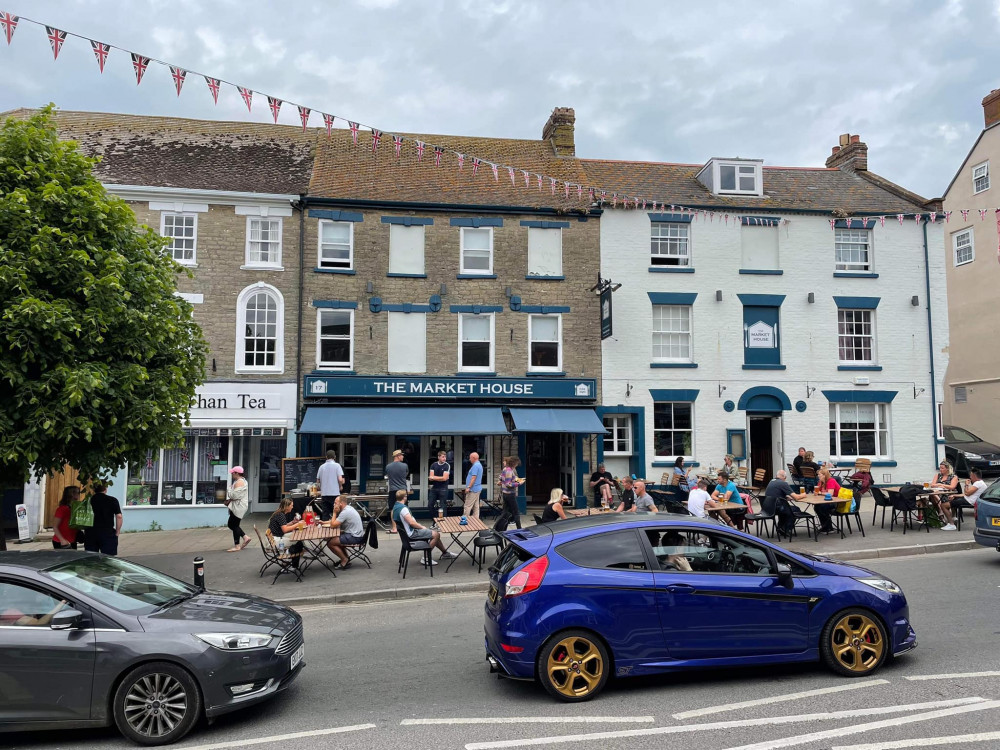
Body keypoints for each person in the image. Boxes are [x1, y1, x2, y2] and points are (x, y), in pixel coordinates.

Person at [392, 490, 456, 565]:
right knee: (436, 535)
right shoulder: (403, 509)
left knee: (434, 534)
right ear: (404, 497)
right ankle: (426, 558)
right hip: (412, 533)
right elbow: (412, 523)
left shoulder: (396, 507)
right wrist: (422, 527)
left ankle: (445, 553)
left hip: (406, 534)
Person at [763, 469, 809, 539]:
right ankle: (786, 528)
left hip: (768, 508)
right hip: (777, 508)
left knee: (786, 508)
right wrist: (803, 495)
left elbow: (776, 494)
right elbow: (796, 497)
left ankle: (781, 527)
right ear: (784, 477)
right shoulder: (783, 483)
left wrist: (785, 497)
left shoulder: (771, 481)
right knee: (796, 509)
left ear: (776, 476)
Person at [323, 495, 365, 569]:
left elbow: (333, 525)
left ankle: (344, 559)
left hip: (354, 536)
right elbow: (336, 521)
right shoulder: (347, 509)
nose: (334, 505)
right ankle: (346, 557)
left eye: (335, 503)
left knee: (330, 543)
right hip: (356, 534)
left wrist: (334, 513)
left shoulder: (345, 512)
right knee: (334, 539)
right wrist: (322, 523)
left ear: (341, 504)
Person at [83, 482, 123, 555]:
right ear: (105, 489)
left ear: (94, 489)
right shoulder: (112, 500)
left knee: (91, 558)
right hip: (107, 532)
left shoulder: (89, 500)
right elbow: (119, 516)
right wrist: (117, 532)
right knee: (108, 559)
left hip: (90, 532)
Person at [268, 497, 304, 563]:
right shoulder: (280, 515)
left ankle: (291, 555)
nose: (292, 507)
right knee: (298, 542)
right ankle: (289, 553)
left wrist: (293, 522)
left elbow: (284, 525)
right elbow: (285, 530)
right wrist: (297, 524)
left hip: (275, 537)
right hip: (275, 540)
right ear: (287, 506)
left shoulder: (279, 513)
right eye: (291, 505)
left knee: (298, 536)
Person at [225, 466, 252, 552]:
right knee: (232, 524)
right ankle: (245, 537)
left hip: (238, 506)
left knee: (234, 525)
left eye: (233, 472)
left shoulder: (239, 482)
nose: (232, 474)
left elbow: (233, 495)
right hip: (238, 505)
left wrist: (229, 489)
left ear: (237, 473)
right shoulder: (241, 481)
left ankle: (237, 546)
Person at [928, 461, 959, 530]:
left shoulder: (953, 477)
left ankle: (946, 517)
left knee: (942, 500)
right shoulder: (938, 475)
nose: (940, 470)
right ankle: (940, 511)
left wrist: (941, 485)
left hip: (949, 494)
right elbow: (932, 485)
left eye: (942, 468)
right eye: (940, 468)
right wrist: (941, 486)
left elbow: (952, 487)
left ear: (947, 469)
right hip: (938, 494)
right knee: (932, 495)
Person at [316, 450, 345, 521]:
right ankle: (336, 530)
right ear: (334, 457)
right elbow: (340, 479)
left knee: (325, 514)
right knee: (336, 513)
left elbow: (317, 481)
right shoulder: (337, 466)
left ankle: (325, 530)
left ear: (326, 457)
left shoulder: (321, 467)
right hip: (335, 494)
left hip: (325, 494)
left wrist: (319, 488)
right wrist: (340, 486)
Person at [386, 449, 409, 533]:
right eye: (402, 455)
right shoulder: (404, 466)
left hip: (392, 490)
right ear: (398, 456)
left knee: (393, 509)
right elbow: (406, 474)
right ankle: (405, 527)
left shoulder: (388, 467)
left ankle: (394, 528)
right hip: (402, 489)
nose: (403, 457)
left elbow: (388, 476)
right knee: (404, 508)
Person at [498, 456, 525, 529]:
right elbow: (508, 484)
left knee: (504, 512)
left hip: (505, 494)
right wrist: (520, 483)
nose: (517, 465)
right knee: (516, 512)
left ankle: (498, 527)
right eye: (516, 463)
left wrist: (519, 479)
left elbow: (500, 478)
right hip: (510, 494)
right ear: (513, 463)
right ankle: (519, 528)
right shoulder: (510, 471)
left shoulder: (505, 469)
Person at [813, 466, 841, 533]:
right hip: (826, 501)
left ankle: (828, 527)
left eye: (819, 474)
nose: (818, 476)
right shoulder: (821, 482)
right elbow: (818, 491)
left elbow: (830, 493)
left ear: (824, 475)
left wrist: (820, 493)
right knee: (817, 507)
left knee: (822, 507)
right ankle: (825, 526)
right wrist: (816, 492)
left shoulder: (831, 481)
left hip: (836, 501)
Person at [428, 451, 451, 517]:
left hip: (443, 488)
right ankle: (435, 520)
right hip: (434, 487)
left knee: (443, 505)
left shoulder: (447, 465)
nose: (444, 458)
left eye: (445, 457)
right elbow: (430, 477)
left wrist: (434, 477)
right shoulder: (433, 465)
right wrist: (439, 478)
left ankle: (443, 523)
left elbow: (444, 478)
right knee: (430, 504)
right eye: (443, 457)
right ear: (438, 457)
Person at [464, 451, 484, 521]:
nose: (469, 459)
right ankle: (476, 521)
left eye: (470, 458)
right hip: (477, 488)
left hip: (473, 489)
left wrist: (468, 487)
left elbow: (473, 477)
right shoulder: (479, 465)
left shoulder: (475, 466)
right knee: (476, 506)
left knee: (467, 505)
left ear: (473, 458)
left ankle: (464, 519)